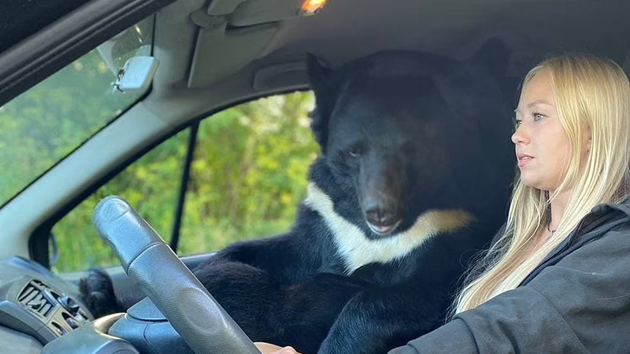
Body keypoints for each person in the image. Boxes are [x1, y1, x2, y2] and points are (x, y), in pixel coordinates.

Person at [257, 52, 630, 354]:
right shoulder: (513, 234)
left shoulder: (618, 251)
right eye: (518, 120)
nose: (517, 135)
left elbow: (498, 334)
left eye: (538, 116)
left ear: (592, 132)